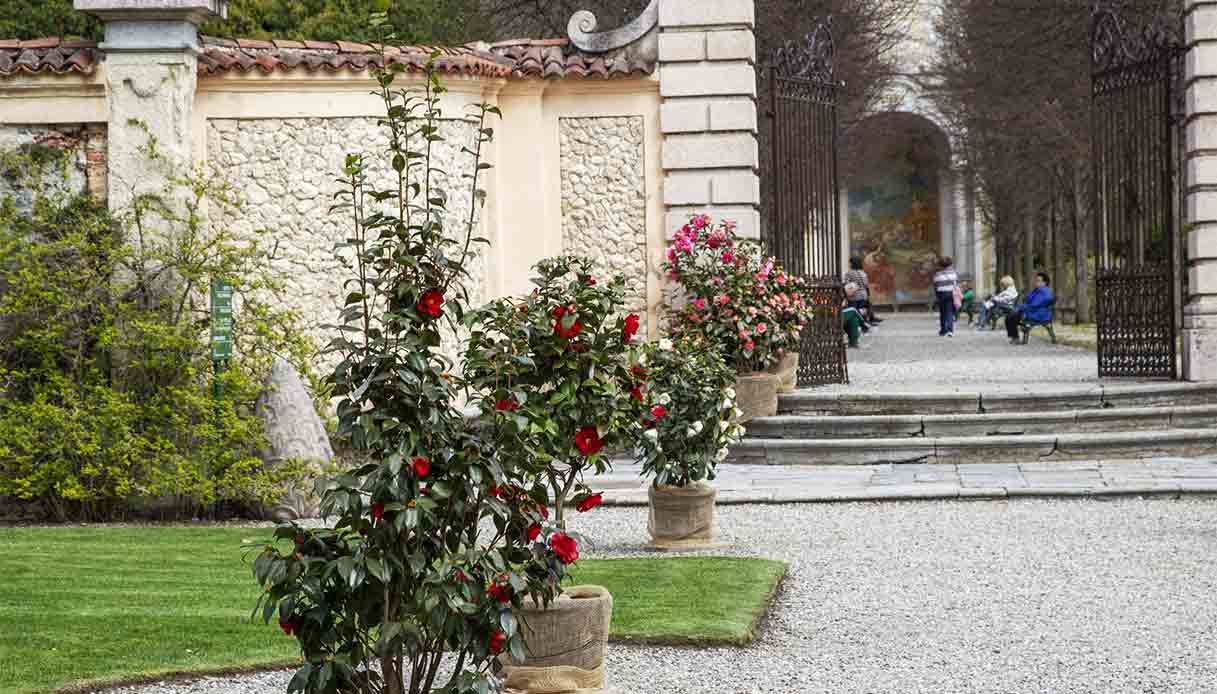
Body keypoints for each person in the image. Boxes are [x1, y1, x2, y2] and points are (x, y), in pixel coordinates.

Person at [1006, 272, 1055, 344]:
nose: (1036, 282)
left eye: (1038, 281)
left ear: (1045, 283)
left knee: (1012, 316)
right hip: (1034, 311)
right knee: (1010, 316)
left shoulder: (1044, 292)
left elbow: (1034, 305)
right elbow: (1029, 301)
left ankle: (1015, 338)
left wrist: (1020, 307)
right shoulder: (1037, 290)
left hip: (1037, 314)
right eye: (1036, 280)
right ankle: (1015, 337)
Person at [843, 256, 882, 325]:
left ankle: (858, 324)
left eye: (850, 263)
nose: (849, 264)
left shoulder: (849, 273)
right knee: (862, 309)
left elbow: (846, 284)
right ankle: (866, 321)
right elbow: (866, 285)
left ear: (852, 264)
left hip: (854, 296)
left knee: (853, 311)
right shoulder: (863, 273)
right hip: (864, 296)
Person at [932, 256, 959, 337]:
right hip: (951, 294)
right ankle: (950, 330)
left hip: (941, 294)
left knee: (943, 312)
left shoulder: (937, 275)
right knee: (949, 312)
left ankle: (943, 330)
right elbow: (956, 284)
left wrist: (937, 296)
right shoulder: (953, 273)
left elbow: (935, 286)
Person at [842, 282, 866, 348]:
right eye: (853, 292)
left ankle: (853, 343)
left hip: (839, 316)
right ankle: (864, 324)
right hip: (831, 316)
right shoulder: (840, 292)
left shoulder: (845, 295)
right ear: (850, 288)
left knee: (854, 319)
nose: (853, 294)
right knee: (853, 310)